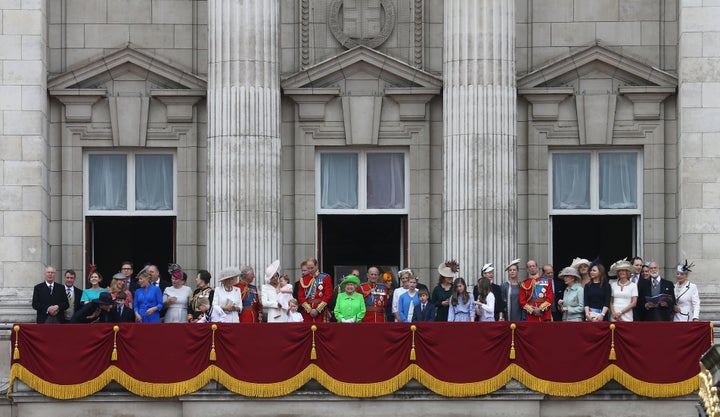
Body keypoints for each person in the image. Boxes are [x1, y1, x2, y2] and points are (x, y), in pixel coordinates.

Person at [298, 257, 333, 323]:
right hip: (307, 312)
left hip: (321, 311)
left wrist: (317, 309)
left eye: (312, 268)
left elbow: (328, 295)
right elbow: (301, 297)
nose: (310, 270)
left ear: (317, 266)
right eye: (308, 268)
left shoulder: (325, 277)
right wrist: (309, 309)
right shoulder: (303, 280)